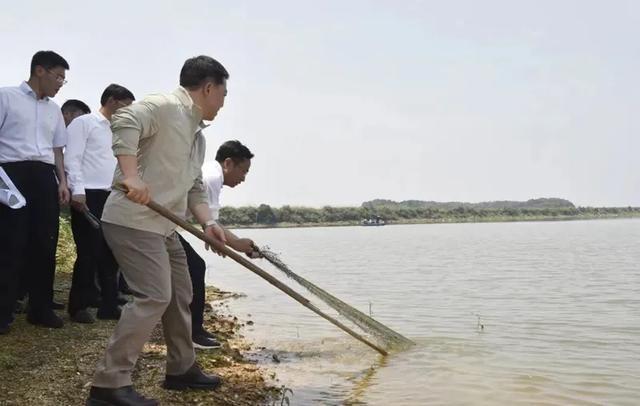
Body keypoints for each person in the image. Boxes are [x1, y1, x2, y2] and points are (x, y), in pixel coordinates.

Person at [87, 55, 229, 406]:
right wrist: (131, 175)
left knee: (181, 292)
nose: (224, 103)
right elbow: (124, 118)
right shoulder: (165, 106)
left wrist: (209, 223)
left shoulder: (197, 136)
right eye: (223, 94)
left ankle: (181, 369)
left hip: (164, 227)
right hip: (133, 221)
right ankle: (109, 383)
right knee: (153, 295)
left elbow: (194, 187)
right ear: (208, 88)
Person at [0, 50, 70, 334]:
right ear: (40, 70)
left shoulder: (54, 109)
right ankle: (3, 311)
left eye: (63, 80)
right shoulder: (6, 97)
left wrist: (62, 181)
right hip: (11, 174)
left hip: (44, 177)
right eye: (58, 77)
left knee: (45, 243)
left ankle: (40, 308)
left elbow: (57, 150)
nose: (60, 84)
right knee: (9, 244)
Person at [64, 84, 135, 324]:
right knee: (89, 252)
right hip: (88, 194)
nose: (128, 112)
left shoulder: (119, 130)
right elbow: (72, 158)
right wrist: (78, 190)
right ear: (113, 101)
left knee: (111, 251)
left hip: (113, 195)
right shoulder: (84, 123)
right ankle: (78, 306)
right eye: (126, 106)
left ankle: (108, 303)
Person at [181, 140, 258, 349]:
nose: (243, 178)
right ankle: (193, 333)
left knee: (192, 269)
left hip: (164, 226)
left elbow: (212, 222)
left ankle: (193, 329)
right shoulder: (213, 177)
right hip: (159, 226)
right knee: (195, 268)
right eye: (243, 170)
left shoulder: (210, 173)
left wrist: (239, 244)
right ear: (228, 163)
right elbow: (211, 226)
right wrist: (232, 244)